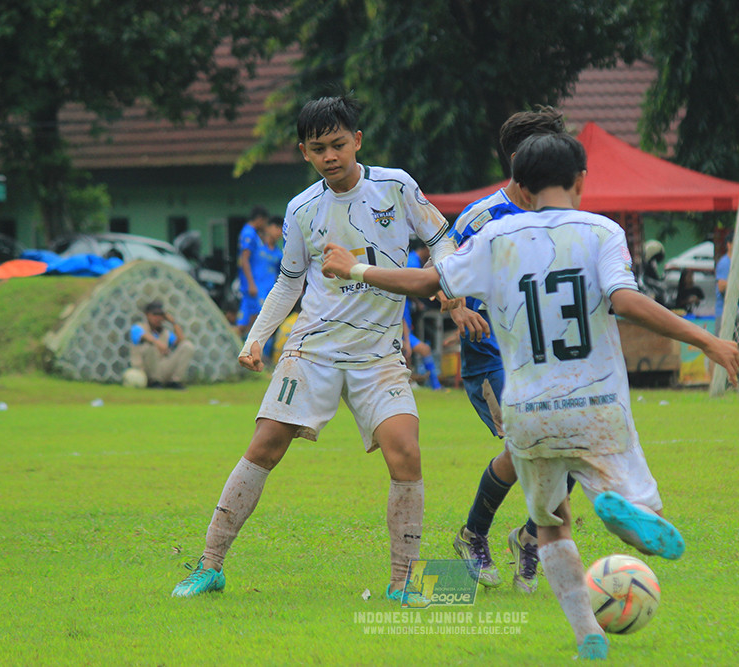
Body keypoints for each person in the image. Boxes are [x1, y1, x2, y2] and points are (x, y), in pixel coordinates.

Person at [321, 133, 739, 660]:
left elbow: (426, 282)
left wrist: (353, 268)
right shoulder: (601, 231)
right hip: (596, 404)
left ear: (519, 184)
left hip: (527, 411)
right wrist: (706, 339)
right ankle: (622, 508)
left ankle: (588, 632)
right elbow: (627, 302)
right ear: (581, 180)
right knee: (639, 501)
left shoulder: (498, 238)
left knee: (549, 526)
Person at [171, 94, 456, 601]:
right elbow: (288, 283)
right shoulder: (302, 209)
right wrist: (256, 338)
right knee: (264, 445)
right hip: (314, 347)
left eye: (339, 144)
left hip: (380, 352)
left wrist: (453, 293)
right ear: (305, 152)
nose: (330, 156)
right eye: (318, 147)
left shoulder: (396, 187)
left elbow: (444, 242)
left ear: (358, 141)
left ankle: (404, 582)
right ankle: (209, 565)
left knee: (406, 452)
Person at [446, 107, 568, 594]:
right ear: (521, 158)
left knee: (568, 446)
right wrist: (457, 308)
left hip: (547, 357)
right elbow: (441, 271)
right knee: (527, 443)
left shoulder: (559, 214)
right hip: (491, 357)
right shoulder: (484, 215)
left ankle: (531, 535)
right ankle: (475, 534)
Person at [129, 300, 195, 389]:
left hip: (162, 368)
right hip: (145, 371)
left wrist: (173, 323)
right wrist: (158, 343)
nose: (158, 318)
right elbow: (145, 336)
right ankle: (154, 382)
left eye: (160, 315)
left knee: (187, 345)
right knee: (150, 347)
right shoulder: (138, 328)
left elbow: (181, 341)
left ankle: (175, 381)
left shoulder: (165, 333)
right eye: (154, 314)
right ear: (147, 315)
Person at [403, 239, 441, 390]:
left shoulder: (414, 260)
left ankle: (416, 382)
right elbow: (407, 283)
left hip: (403, 324)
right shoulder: (412, 262)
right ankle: (435, 386)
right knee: (423, 349)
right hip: (398, 326)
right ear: (426, 248)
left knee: (411, 354)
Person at [236, 205, 275, 336]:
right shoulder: (249, 233)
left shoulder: (254, 234)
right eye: (264, 222)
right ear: (259, 219)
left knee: (250, 319)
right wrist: (251, 283)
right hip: (252, 284)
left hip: (254, 283)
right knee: (254, 319)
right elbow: (244, 259)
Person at [714, 233, 733, 333]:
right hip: (725, 314)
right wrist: (738, 278)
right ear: (729, 245)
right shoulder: (725, 263)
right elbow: (721, 287)